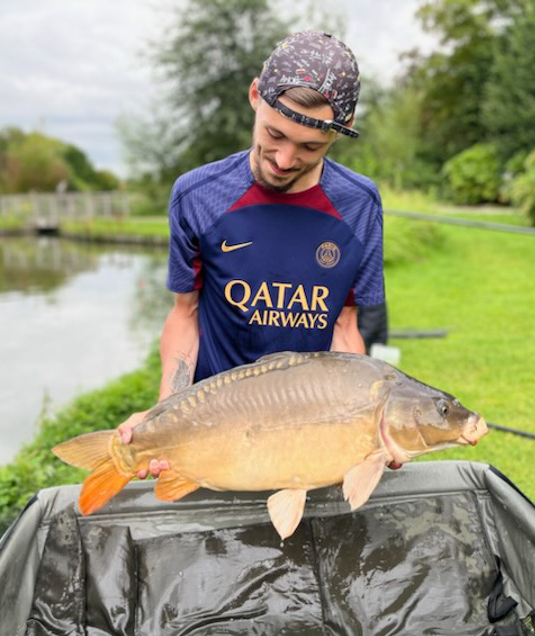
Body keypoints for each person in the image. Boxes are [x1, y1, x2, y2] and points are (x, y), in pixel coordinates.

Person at [119, 30, 394, 475]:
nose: (285, 159)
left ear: (339, 133)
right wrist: (165, 417)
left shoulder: (359, 203)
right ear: (254, 95)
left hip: (311, 432)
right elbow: (184, 316)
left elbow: (345, 327)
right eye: (274, 134)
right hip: (214, 431)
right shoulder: (197, 195)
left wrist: (368, 422)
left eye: (310, 147)